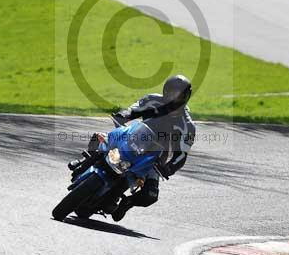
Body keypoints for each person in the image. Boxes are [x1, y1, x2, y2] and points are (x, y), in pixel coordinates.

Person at [68, 75, 196, 222]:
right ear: (165, 91)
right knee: (101, 137)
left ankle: (127, 203)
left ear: (186, 96)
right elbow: (133, 110)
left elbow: (181, 155)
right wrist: (123, 116)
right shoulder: (152, 100)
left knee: (150, 195)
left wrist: (168, 168)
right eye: (171, 92)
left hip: (155, 157)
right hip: (134, 137)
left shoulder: (187, 125)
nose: (174, 97)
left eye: (178, 94)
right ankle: (85, 160)